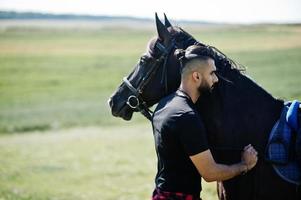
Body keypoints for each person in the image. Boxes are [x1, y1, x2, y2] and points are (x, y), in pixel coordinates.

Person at [151, 45, 258, 200]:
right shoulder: (187, 117)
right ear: (196, 76)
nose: (216, 79)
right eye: (212, 73)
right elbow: (210, 173)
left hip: (162, 193)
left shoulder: (164, 105)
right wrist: (244, 165)